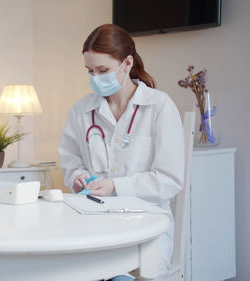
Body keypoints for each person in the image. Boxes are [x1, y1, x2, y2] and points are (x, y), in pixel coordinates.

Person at [59, 24, 184, 281]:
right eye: (90, 71)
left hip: (146, 226)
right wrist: (78, 177)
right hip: (94, 223)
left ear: (127, 63)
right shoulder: (82, 110)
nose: (95, 78)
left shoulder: (159, 107)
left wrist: (116, 187)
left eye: (102, 70)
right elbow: (71, 162)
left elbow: (169, 180)